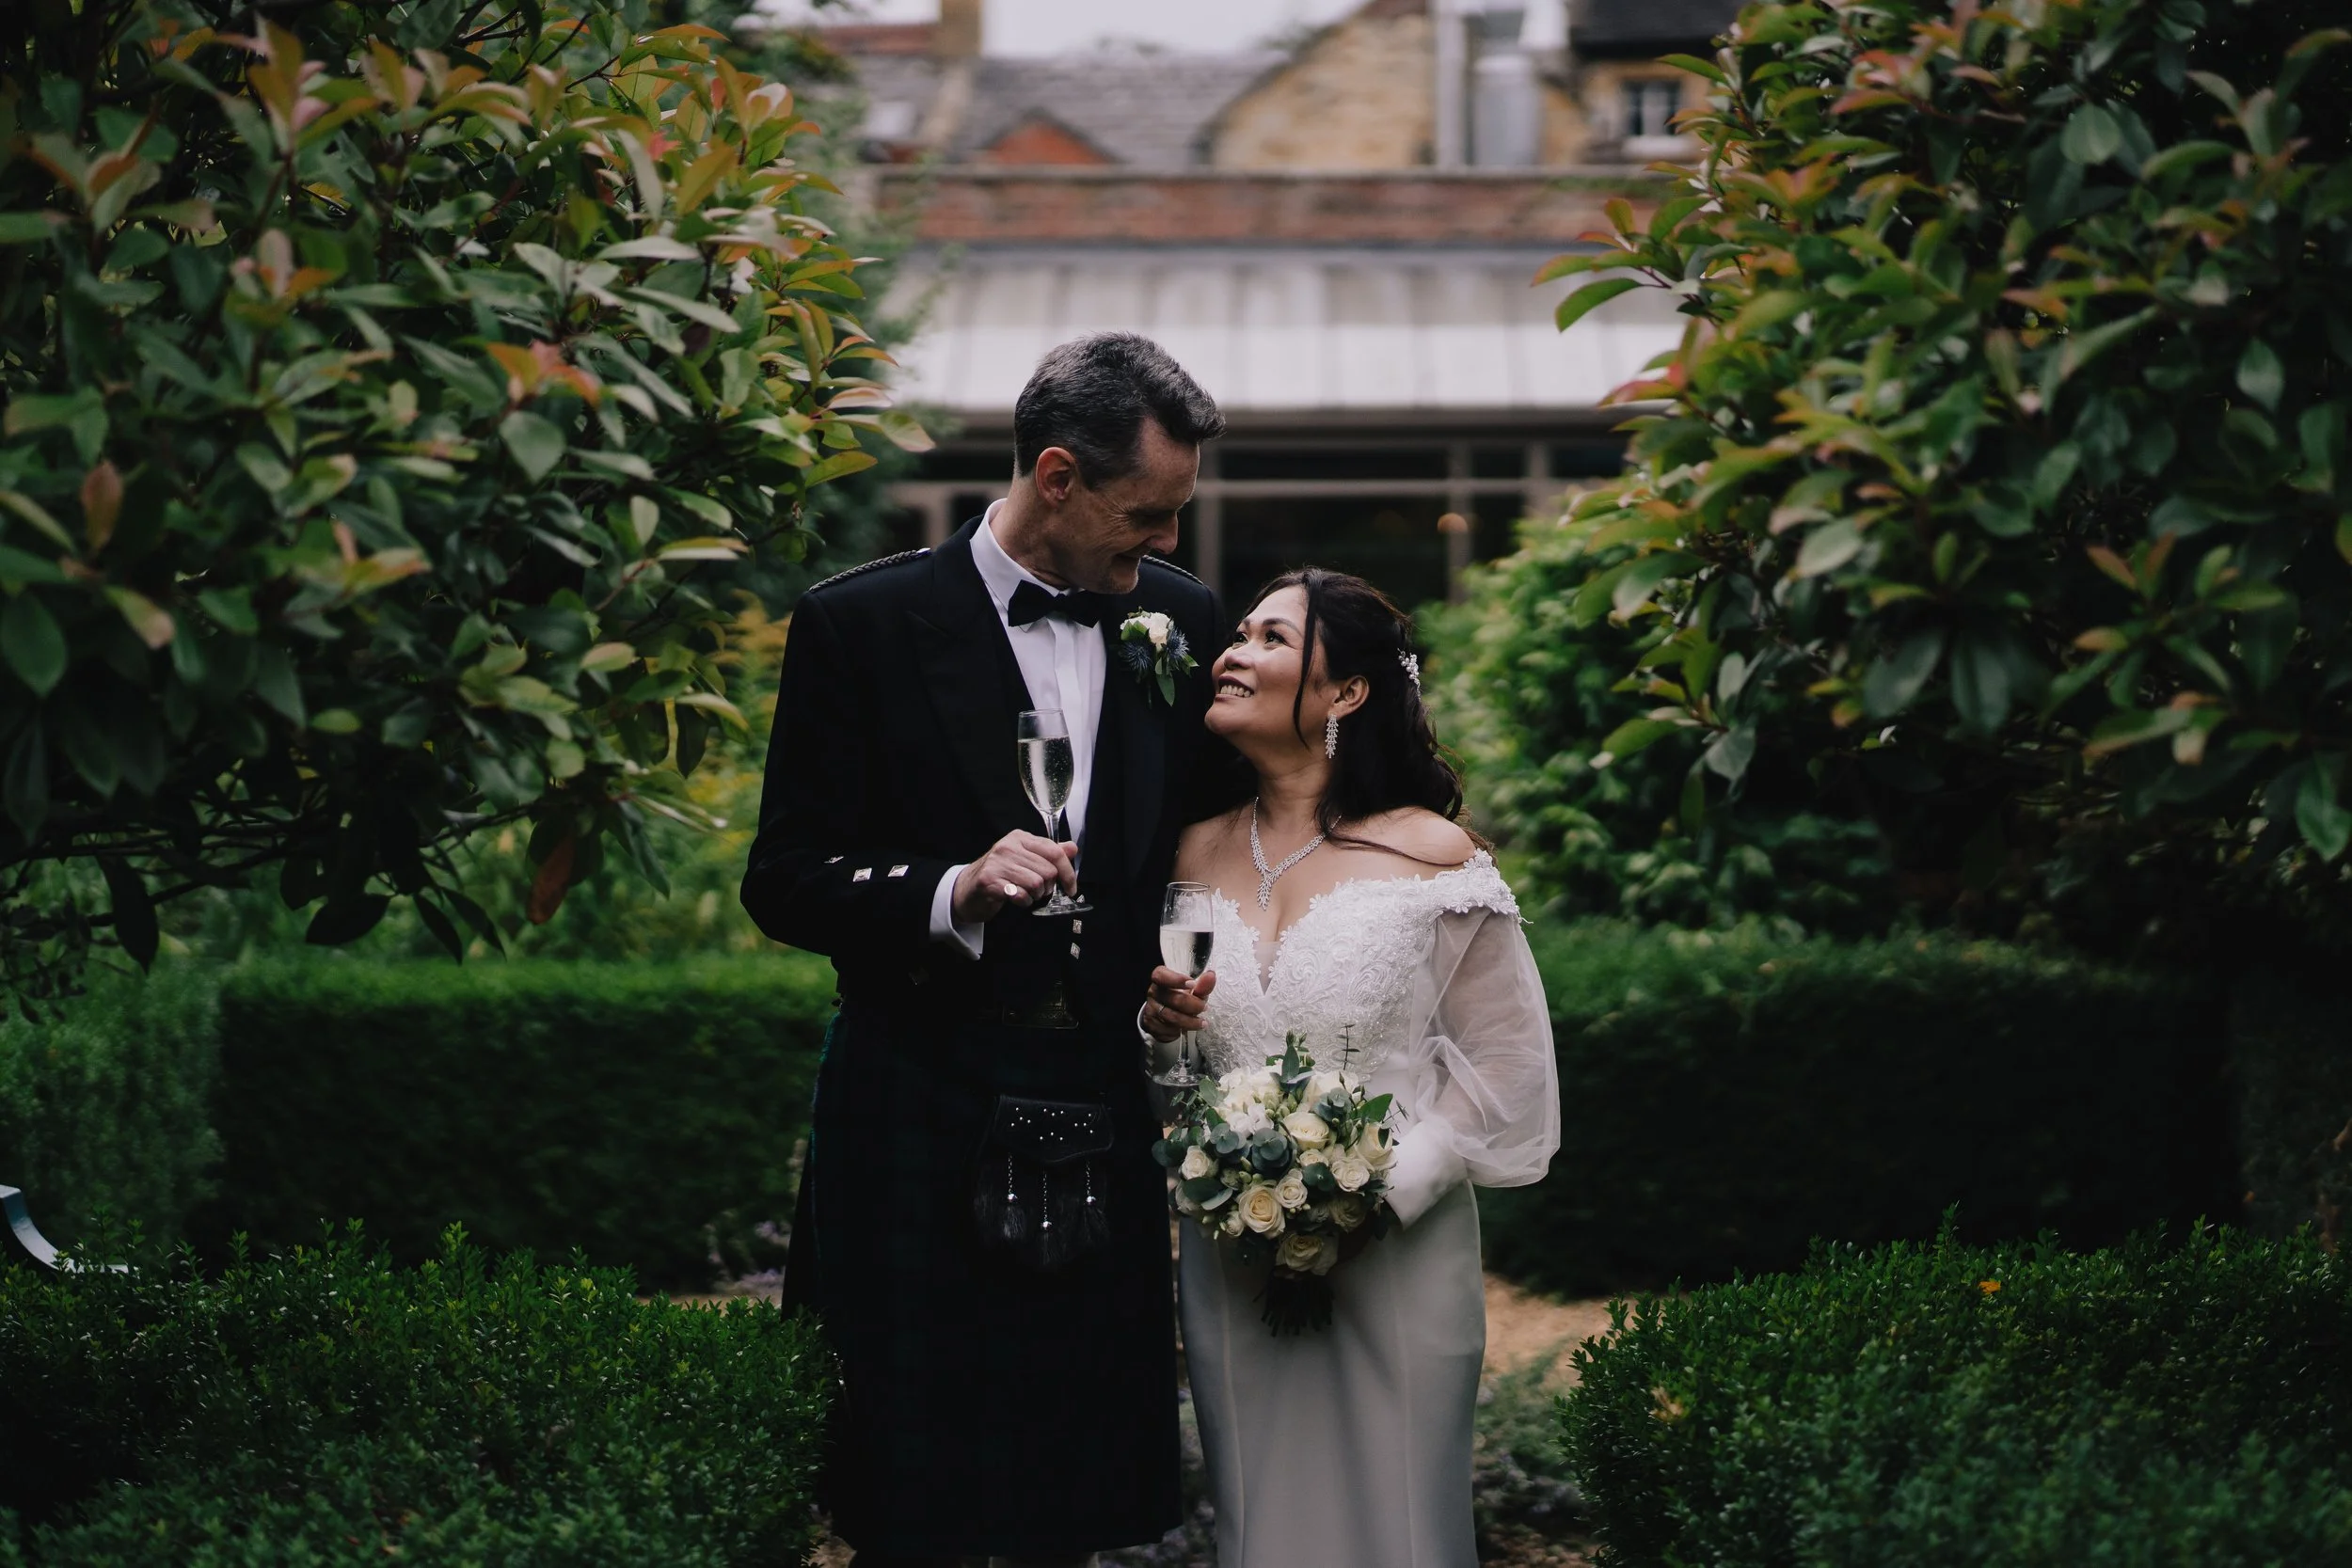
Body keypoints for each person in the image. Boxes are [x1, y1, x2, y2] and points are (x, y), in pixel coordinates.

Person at [741, 333, 1228, 1567]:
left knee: (1075, 1481)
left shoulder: (1177, 618)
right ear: (1057, 475)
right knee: (912, 1486)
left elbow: (1206, 844)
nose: (1164, 542)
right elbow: (785, 877)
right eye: (1147, 513)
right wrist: (952, 885)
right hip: (917, 1082)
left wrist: (1185, 964)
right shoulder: (858, 623)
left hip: (1100, 1092)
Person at [1140, 568, 1561, 1568]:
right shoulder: (1189, 855)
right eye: (1236, 632)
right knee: (1259, 1524)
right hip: (1231, 1251)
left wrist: (1363, 1195)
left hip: (1395, 1251)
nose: (1232, 651)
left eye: (1270, 638)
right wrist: (1159, 1028)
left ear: (1344, 693)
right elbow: (1176, 1076)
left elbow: (1505, 1071)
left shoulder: (1432, 854)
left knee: (1400, 1526)